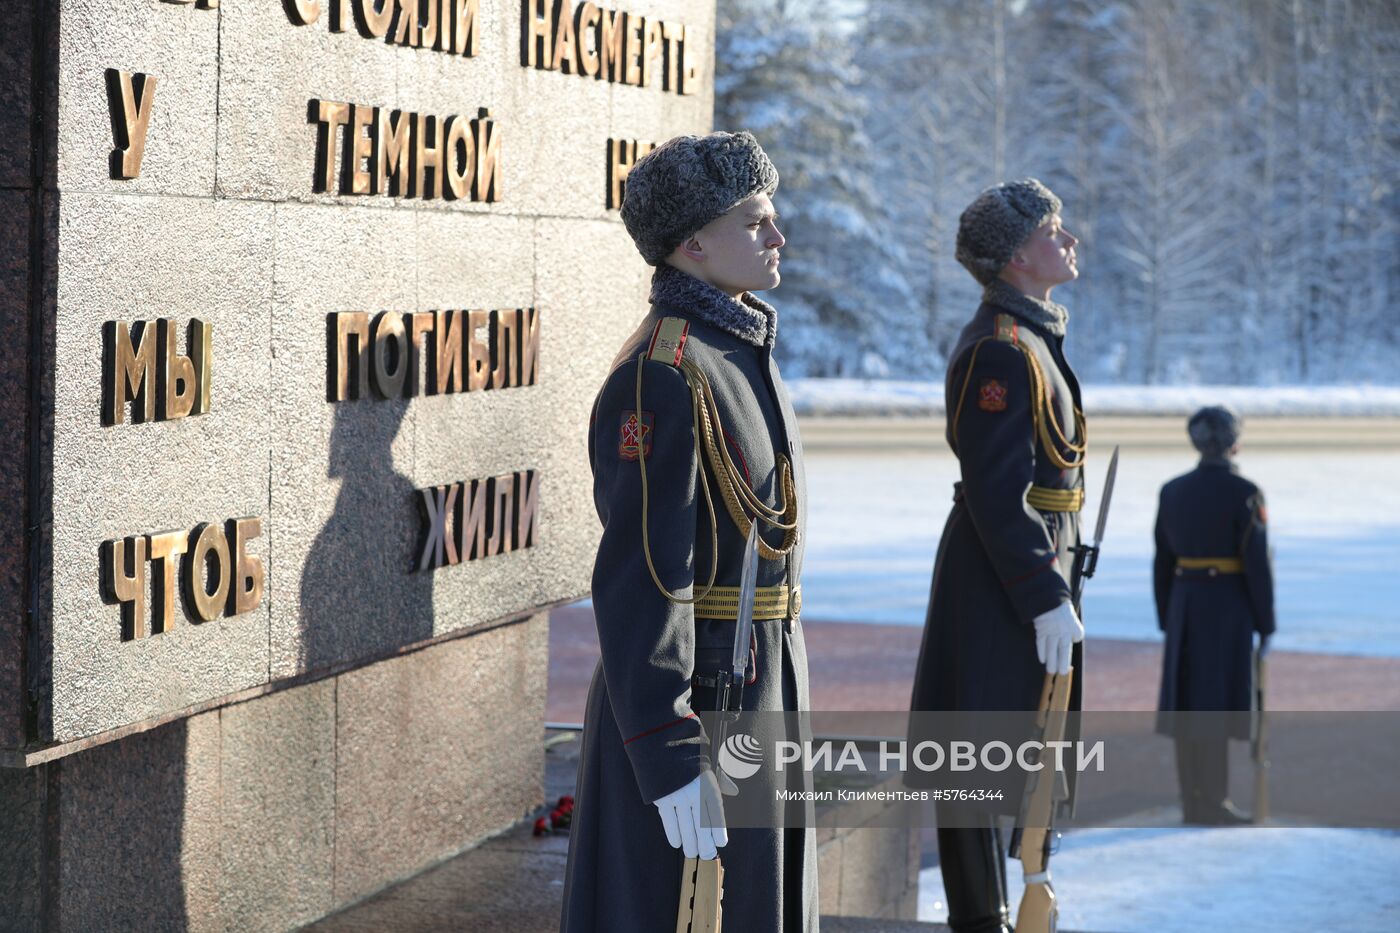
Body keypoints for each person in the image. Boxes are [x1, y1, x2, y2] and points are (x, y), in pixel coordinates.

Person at [560, 131, 816, 932]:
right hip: (701, 696)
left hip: (758, 675)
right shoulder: (665, 372)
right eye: (755, 220)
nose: (777, 236)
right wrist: (669, 752)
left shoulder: (734, 348)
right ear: (692, 242)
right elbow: (644, 576)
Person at [910, 178, 1087, 933]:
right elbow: (994, 488)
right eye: (1055, 228)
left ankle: (1012, 905)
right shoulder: (1001, 350)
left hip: (1026, 562)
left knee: (1022, 746)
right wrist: (1041, 591)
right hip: (998, 573)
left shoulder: (1032, 337)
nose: (1069, 239)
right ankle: (980, 918)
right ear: (1019, 255)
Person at [1153, 406, 1274, 825]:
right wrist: (1266, 621)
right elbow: (1257, 563)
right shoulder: (1245, 491)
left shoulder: (1172, 491)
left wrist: (1168, 614)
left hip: (1185, 602)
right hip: (1228, 606)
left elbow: (1161, 560)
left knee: (1189, 706)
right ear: (1233, 441)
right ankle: (1214, 801)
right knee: (1216, 706)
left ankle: (1193, 801)